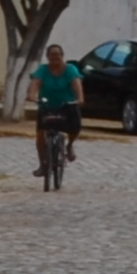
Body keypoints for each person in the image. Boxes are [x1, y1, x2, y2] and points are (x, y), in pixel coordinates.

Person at [32, 45, 86, 190]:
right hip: (47, 105)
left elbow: (76, 84)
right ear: (47, 57)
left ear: (62, 56)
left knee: (74, 126)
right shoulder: (43, 70)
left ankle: (69, 146)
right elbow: (35, 82)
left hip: (66, 105)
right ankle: (43, 165)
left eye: (57, 55)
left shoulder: (70, 70)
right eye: (52, 55)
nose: (55, 58)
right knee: (40, 134)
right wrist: (31, 95)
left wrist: (79, 98)